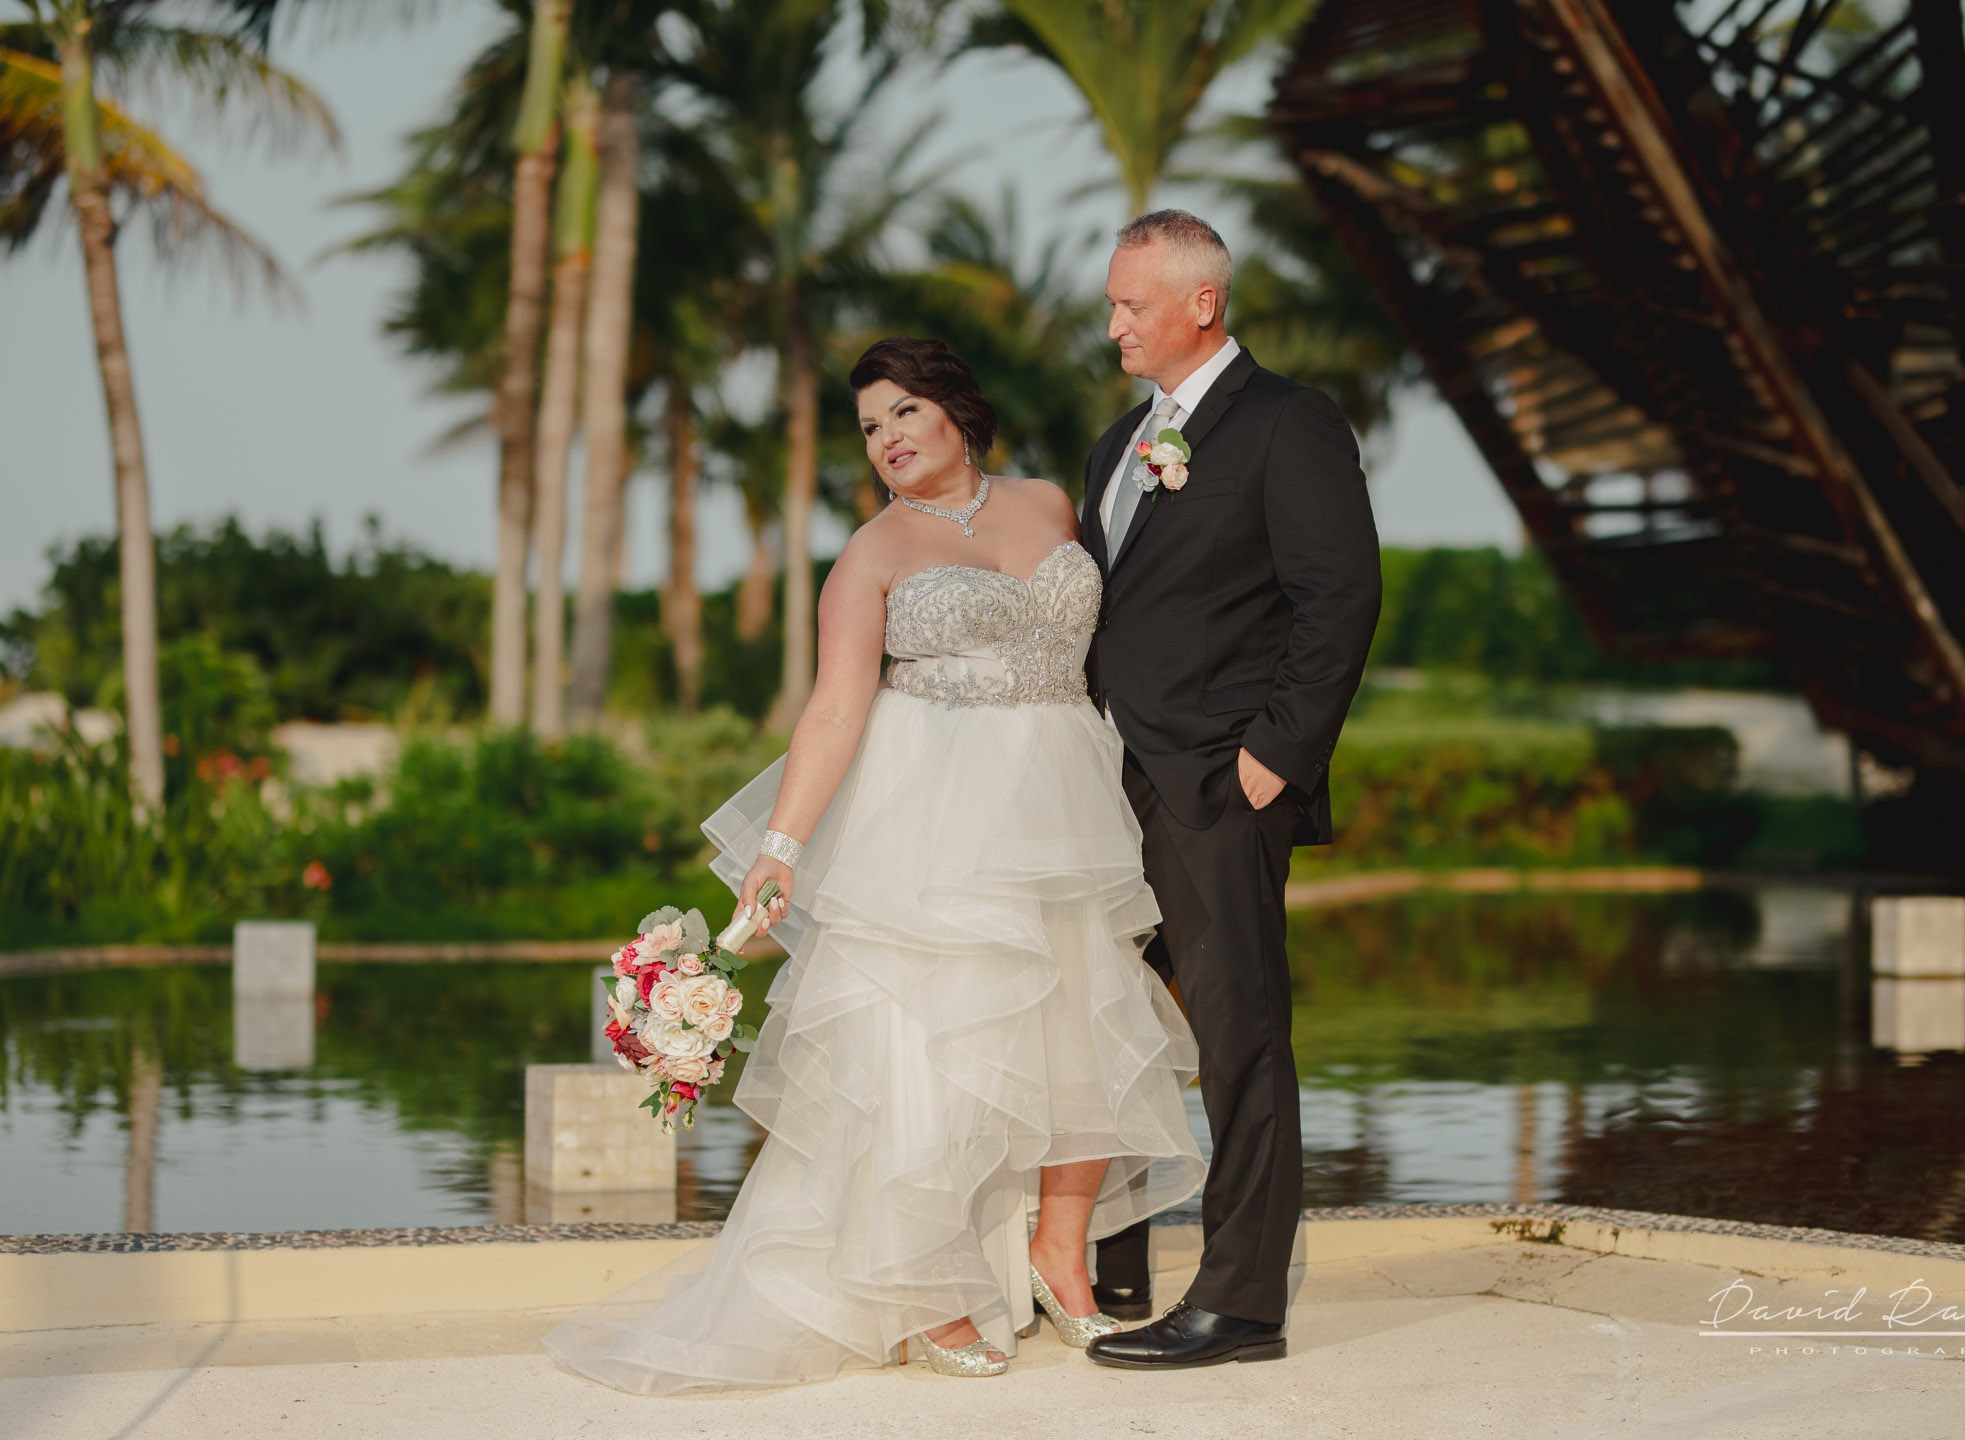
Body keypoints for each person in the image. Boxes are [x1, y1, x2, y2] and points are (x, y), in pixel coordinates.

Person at [541, 337, 1206, 1392]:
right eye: (868, 427)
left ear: (954, 410)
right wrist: (780, 851)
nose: (886, 437)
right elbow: (835, 708)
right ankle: (928, 1282)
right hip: (937, 817)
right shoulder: (870, 553)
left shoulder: (1050, 503)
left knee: (1083, 1022)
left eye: (903, 411)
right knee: (929, 1048)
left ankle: (1059, 1253)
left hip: (1069, 802)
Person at [1079, 211, 1383, 1370]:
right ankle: (1112, 1268)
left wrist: (1276, 758)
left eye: (1132, 305)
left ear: (1202, 303)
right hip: (1106, 790)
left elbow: (1338, 596)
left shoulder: (1288, 422)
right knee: (1107, 1030)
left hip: (1219, 788)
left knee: (1240, 1037)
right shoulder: (1119, 443)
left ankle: (1242, 1305)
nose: (1115, 325)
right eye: (1113, 304)